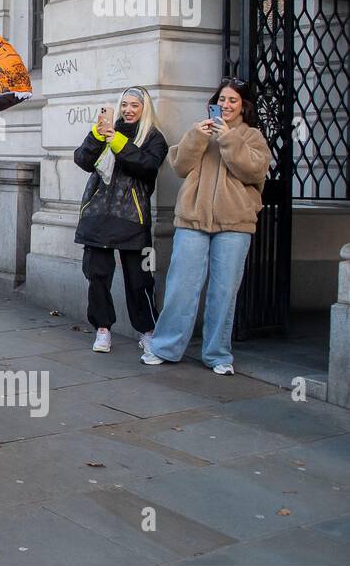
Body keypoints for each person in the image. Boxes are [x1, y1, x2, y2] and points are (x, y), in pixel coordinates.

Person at [142, 78, 271, 375]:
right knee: (181, 286)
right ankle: (165, 347)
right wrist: (196, 137)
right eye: (222, 100)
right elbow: (180, 166)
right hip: (192, 219)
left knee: (224, 290)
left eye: (232, 101)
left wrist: (228, 139)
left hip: (235, 223)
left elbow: (253, 171)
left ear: (243, 107)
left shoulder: (252, 137)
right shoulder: (200, 130)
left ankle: (217, 354)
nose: (225, 105)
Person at [73, 86, 168, 352]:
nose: (128, 110)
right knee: (97, 276)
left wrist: (116, 141)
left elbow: (147, 165)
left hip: (132, 220)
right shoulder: (106, 130)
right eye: (124, 105)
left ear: (144, 108)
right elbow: (81, 159)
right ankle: (102, 330)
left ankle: (148, 331)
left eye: (134, 105)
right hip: (98, 215)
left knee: (140, 279)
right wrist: (96, 135)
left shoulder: (154, 138)